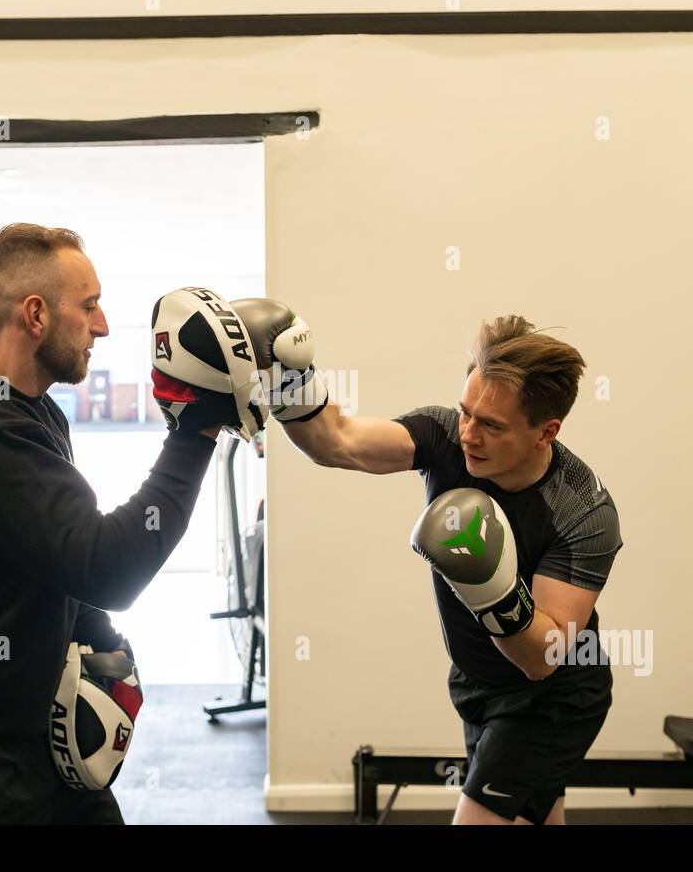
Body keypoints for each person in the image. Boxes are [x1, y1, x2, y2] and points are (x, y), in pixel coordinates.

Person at [0, 223, 240, 823]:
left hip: (30, 744)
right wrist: (193, 432)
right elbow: (104, 565)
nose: (103, 326)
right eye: (88, 306)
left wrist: (105, 651)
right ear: (35, 314)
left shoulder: (33, 413)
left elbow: (54, 563)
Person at [238, 302, 623, 825]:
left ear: (545, 433)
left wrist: (492, 586)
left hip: (552, 700)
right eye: (466, 412)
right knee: (538, 816)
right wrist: (289, 374)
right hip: (476, 682)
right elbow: (337, 442)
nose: (469, 433)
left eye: (491, 425)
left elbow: (543, 658)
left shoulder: (584, 512)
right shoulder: (443, 437)